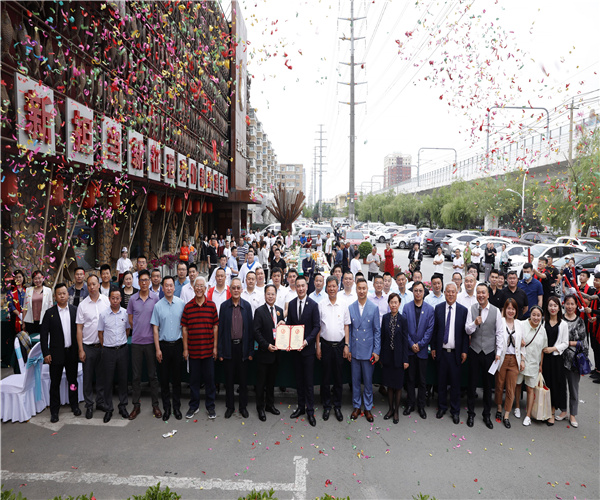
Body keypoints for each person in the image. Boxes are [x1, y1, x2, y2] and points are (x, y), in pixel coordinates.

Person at [40, 283, 81, 423]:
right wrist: (46, 353)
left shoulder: (75, 310)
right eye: (59, 294)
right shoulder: (49, 313)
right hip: (56, 355)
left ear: (68, 294)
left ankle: (74, 405)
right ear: (55, 296)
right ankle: (54, 411)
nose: (62, 295)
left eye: (64, 293)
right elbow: (44, 335)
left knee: (72, 381)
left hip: (71, 353)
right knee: (55, 383)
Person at [465, 284, 503, 429]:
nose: (481, 295)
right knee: (472, 384)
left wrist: (498, 353)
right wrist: (474, 323)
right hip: (474, 351)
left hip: (489, 353)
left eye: (483, 293)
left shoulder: (496, 311)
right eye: (478, 292)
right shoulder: (472, 309)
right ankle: (471, 413)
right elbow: (467, 330)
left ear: (488, 295)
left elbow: (499, 333)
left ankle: (486, 415)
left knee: (488, 386)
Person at [431, 282, 468, 424]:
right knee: (441, 382)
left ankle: (455, 411)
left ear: (457, 293)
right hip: (441, 352)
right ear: (445, 293)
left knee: (455, 384)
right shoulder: (438, 308)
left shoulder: (463, 311)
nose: (451, 294)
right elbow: (435, 330)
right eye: (448, 292)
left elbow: (465, 334)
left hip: (455, 354)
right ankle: (441, 407)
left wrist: (464, 350)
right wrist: (433, 347)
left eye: (453, 292)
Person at [182, 276, 218, 419]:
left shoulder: (212, 305)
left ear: (205, 289)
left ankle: (210, 407)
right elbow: (184, 329)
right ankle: (194, 406)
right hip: (194, 351)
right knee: (194, 381)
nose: (199, 288)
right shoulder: (188, 306)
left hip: (208, 351)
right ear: (194, 288)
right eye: (197, 286)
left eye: (202, 286)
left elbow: (215, 327)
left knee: (210, 381)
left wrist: (215, 347)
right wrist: (185, 349)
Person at [126, 269, 161, 420]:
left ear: (150, 281)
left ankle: (155, 405)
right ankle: (136, 406)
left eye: (147, 280)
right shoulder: (133, 299)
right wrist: (139, 330)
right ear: (138, 283)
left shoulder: (155, 298)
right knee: (136, 376)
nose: (145, 283)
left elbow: (158, 320)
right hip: (137, 343)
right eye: (142, 280)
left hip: (151, 343)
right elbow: (130, 319)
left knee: (153, 376)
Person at [218, 277, 254, 419]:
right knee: (229, 380)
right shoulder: (224, 306)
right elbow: (221, 331)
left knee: (243, 381)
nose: (236, 290)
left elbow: (250, 331)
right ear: (230, 289)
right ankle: (230, 407)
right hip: (229, 348)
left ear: (242, 289)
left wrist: (250, 351)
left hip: (243, 349)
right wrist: (220, 351)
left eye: (239, 288)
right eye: (234, 288)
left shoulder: (247, 306)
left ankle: (243, 407)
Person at [151, 276, 186, 421]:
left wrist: (185, 348)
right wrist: (158, 349)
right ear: (163, 288)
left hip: (178, 345)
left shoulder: (181, 304)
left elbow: (185, 328)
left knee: (177, 380)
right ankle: (167, 408)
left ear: (174, 287)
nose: (169, 288)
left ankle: (176, 408)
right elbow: (155, 329)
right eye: (166, 286)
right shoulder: (158, 306)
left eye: (171, 285)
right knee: (164, 380)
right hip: (164, 347)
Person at [287, 276, 321, 426]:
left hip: (307, 351)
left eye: (303, 286)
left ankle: (310, 411)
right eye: (298, 286)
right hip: (295, 351)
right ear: (295, 287)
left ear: (307, 287)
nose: (300, 288)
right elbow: (289, 326)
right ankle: (300, 407)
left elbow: (316, 327)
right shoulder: (292, 304)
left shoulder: (313, 305)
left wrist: (306, 341)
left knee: (308, 382)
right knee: (299, 381)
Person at [317, 276, 350, 422]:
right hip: (325, 346)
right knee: (325, 378)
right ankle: (326, 406)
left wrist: (347, 345)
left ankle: (337, 406)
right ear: (326, 288)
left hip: (339, 347)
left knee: (338, 378)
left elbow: (346, 326)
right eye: (329, 286)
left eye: (334, 286)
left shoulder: (343, 305)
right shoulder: (321, 304)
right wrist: (317, 346)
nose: (331, 289)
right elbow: (318, 327)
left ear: (338, 287)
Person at [76, 275, 110, 419]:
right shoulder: (83, 305)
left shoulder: (106, 301)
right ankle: (89, 405)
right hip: (88, 347)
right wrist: (81, 349)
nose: (91, 287)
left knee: (102, 376)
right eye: (89, 284)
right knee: (88, 378)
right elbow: (79, 328)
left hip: (103, 346)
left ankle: (100, 402)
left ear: (98, 285)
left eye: (94, 284)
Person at [348, 279, 381, 423]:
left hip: (368, 351)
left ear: (368, 290)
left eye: (364, 288)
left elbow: (377, 331)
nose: (361, 291)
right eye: (359, 288)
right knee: (355, 381)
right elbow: (348, 330)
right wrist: (348, 348)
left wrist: (376, 350)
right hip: (355, 350)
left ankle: (367, 407)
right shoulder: (351, 307)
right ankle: (356, 406)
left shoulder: (373, 308)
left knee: (368, 382)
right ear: (356, 290)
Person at [402, 281, 435, 419]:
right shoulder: (406, 307)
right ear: (412, 292)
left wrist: (420, 345)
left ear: (424, 292)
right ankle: (410, 404)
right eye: (415, 290)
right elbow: (404, 328)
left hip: (421, 351)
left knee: (422, 380)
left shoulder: (429, 309)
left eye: (420, 291)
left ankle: (421, 406)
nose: (418, 293)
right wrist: (411, 344)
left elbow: (430, 330)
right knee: (410, 379)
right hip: (410, 350)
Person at [98, 288, 130, 423]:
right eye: (113, 298)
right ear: (109, 299)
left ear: (121, 299)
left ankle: (123, 406)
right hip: (108, 351)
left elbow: (127, 330)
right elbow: (100, 333)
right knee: (108, 381)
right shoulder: (104, 314)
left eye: (117, 298)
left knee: (123, 380)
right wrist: (106, 346)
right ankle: (108, 409)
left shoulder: (125, 313)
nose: (115, 300)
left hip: (122, 349)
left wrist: (121, 342)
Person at [493, 299, 525, 429]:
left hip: (514, 360)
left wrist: (522, 359)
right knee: (500, 385)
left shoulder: (519, 324)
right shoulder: (499, 322)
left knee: (511, 387)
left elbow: (523, 344)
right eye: (508, 308)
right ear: (504, 310)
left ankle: (507, 414)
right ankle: (499, 408)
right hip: (501, 358)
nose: (510, 311)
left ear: (516, 311)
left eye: (513, 309)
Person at [558, 295, 589, 428]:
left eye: (572, 304)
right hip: (560, 358)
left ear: (576, 306)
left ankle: (573, 414)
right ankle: (563, 411)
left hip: (574, 361)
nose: (570, 307)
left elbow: (584, 343)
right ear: (564, 304)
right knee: (561, 387)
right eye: (568, 304)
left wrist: (568, 343)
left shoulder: (580, 321)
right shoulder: (560, 320)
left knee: (573, 388)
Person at [253, 285, 283, 422]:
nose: (271, 296)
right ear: (265, 295)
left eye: (273, 294)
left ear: (276, 295)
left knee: (271, 382)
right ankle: (260, 407)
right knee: (261, 383)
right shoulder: (259, 311)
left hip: (276, 354)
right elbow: (256, 332)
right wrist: (266, 345)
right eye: (268, 294)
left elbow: (282, 331)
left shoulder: (280, 311)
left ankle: (270, 405)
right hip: (264, 353)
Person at [515, 306, 547, 426]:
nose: (536, 317)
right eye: (534, 315)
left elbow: (543, 349)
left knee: (530, 388)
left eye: (538, 315)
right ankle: (517, 406)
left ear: (541, 317)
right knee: (518, 385)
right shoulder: (522, 325)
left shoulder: (542, 330)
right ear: (530, 315)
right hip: (520, 361)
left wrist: (541, 365)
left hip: (534, 363)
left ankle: (528, 415)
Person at [380, 293, 409, 424]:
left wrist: (405, 359)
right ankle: (390, 409)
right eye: (391, 302)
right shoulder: (385, 318)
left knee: (397, 386)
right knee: (390, 385)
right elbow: (382, 338)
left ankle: (396, 411)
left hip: (398, 357)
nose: (393, 305)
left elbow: (404, 341)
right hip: (387, 356)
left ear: (399, 304)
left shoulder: (403, 320)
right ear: (389, 304)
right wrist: (380, 355)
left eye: (396, 302)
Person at [541, 296, 569, 425]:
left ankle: (552, 413)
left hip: (556, 359)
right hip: (543, 358)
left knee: (555, 385)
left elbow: (565, 343)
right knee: (544, 384)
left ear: (559, 308)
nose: (553, 308)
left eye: (555, 305)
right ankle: (542, 411)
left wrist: (553, 349)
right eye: (550, 305)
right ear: (547, 307)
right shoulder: (543, 321)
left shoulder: (563, 324)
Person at [23, 270, 53, 342]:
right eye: (35, 278)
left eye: (39, 278)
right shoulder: (28, 290)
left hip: (44, 321)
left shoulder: (48, 290)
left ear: (43, 278)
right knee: (31, 341)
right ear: (33, 280)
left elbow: (50, 307)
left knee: (43, 341)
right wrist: (23, 323)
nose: (38, 280)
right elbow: (25, 307)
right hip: (30, 322)